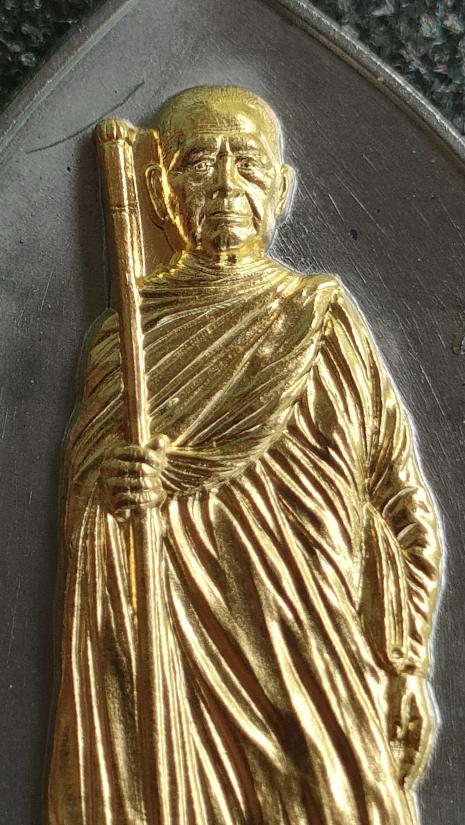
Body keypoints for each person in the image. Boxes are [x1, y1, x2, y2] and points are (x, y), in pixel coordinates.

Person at [47, 85, 441, 825]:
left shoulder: (320, 321)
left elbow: (397, 500)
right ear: (158, 190)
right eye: (199, 164)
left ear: (281, 188)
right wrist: (111, 485)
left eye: (248, 164)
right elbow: (89, 501)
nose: (225, 185)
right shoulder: (124, 339)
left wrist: (403, 660)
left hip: (314, 664)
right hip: (174, 669)